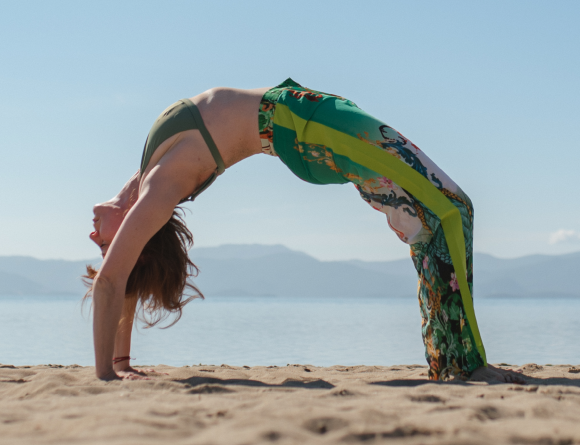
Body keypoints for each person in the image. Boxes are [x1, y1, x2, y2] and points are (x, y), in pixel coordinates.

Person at [86, 80, 523, 384]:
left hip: (306, 117)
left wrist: (121, 362)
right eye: (108, 246)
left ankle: (451, 358)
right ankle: (465, 364)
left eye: (104, 245)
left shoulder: (142, 179)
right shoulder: (159, 189)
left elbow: (124, 275)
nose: (94, 239)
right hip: (308, 128)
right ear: (138, 238)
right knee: (451, 210)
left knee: (431, 218)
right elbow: (112, 281)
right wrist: (105, 373)